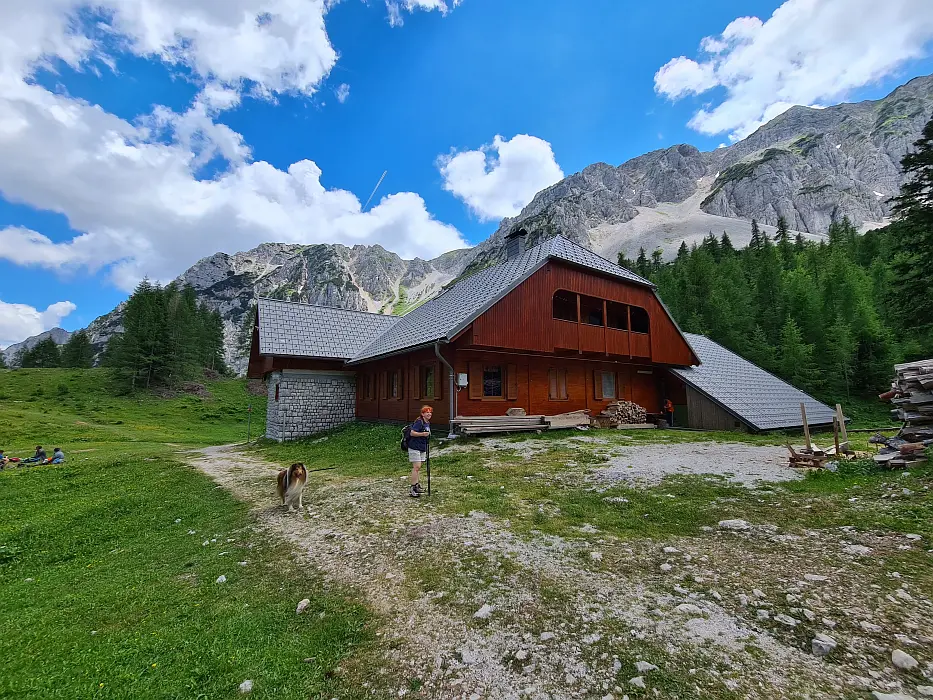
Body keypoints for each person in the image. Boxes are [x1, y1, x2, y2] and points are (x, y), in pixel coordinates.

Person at [407, 405, 432, 498]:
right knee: (416, 467)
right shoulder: (419, 422)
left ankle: (417, 485)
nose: (429, 414)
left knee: (419, 467)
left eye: (430, 412)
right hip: (414, 447)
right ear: (422, 414)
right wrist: (423, 434)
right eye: (427, 412)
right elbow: (412, 433)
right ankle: (412, 488)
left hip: (422, 447)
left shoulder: (427, 423)